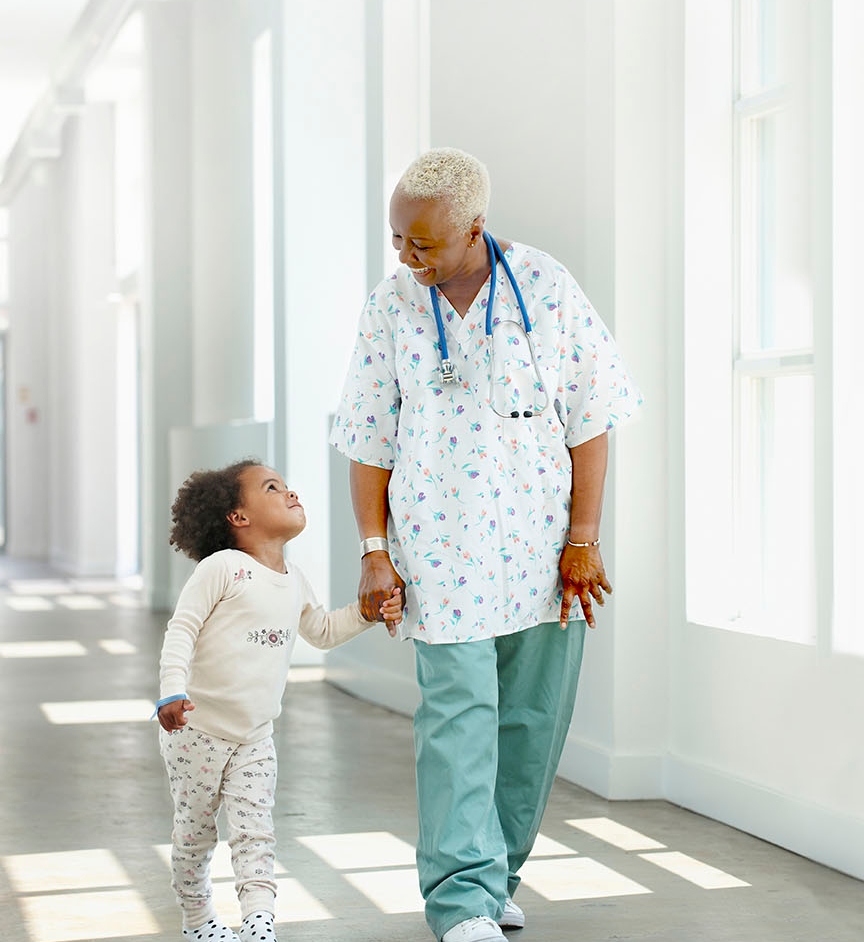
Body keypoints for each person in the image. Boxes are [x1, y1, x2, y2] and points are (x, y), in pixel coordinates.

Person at [329, 148, 642, 942]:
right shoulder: (392, 305)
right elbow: (367, 436)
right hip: (440, 548)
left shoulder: (545, 288)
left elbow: (592, 419)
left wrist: (584, 540)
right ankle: (461, 899)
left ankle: (498, 872)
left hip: (543, 550)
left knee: (533, 723)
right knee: (458, 721)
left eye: (421, 243)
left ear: (474, 228)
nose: (405, 255)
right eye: (397, 238)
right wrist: (375, 549)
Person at [154, 458, 402, 942]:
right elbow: (181, 628)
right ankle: (198, 919)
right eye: (272, 488)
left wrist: (368, 613)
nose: (290, 493)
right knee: (195, 835)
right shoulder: (221, 568)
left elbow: (324, 632)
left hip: (254, 738)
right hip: (197, 733)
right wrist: (171, 690)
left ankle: (258, 920)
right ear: (238, 517)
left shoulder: (294, 578)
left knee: (255, 832)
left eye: (288, 486)